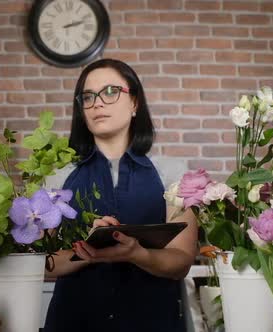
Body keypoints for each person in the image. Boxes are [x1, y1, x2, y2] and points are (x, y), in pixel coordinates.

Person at [43, 58, 198, 332]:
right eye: (88, 97)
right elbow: (40, 264)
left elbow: (181, 260)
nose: (97, 103)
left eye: (111, 91)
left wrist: (138, 254)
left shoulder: (174, 174)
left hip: (154, 321)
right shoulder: (57, 177)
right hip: (74, 322)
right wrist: (85, 254)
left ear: (135, 103)